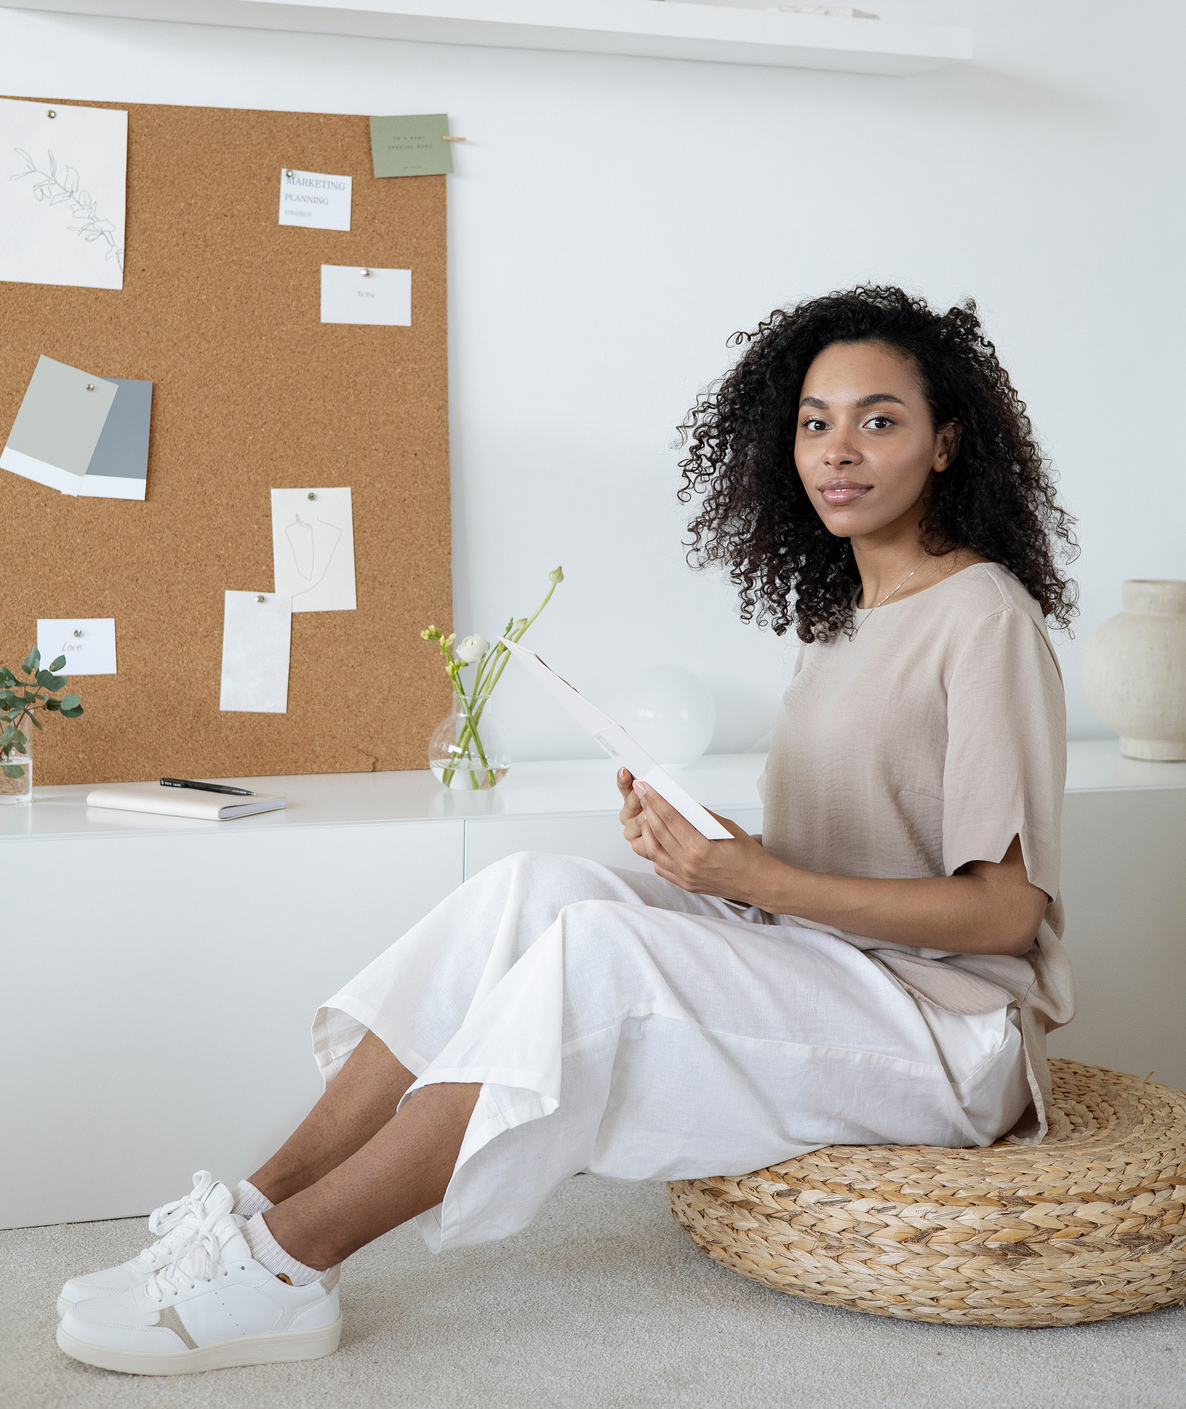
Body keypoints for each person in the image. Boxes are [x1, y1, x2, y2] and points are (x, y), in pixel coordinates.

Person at [55, 286, 1078, 1376]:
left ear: (945, 442)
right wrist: (719, 853)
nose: (839, 450)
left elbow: (1005, 916)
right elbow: (863, 850)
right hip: (837, 963)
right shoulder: (842, 621)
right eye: (814, 423)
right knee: (533, 889)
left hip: (946, 1034)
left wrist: (758, 877)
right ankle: (254, 1204)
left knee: (597, 956)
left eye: (878, 420)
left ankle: (277, 1269)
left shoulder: (984, 620)